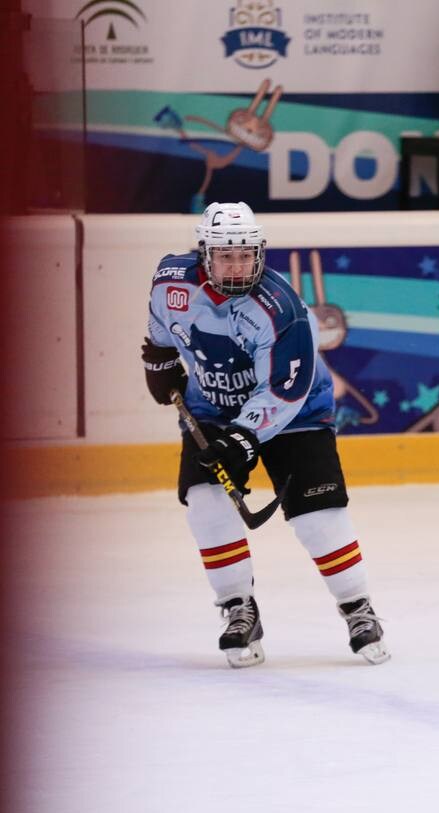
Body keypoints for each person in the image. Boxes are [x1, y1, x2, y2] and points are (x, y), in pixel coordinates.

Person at [141, 202, 389, 668]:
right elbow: (161, 324)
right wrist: (159, 359)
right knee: (205, 500)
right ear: (205, 255)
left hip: (295, 412)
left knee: (318, 515)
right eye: (225, 257)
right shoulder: (171, 280)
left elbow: (284, 389)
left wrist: (243, 438)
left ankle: (358, 607)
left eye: (245, 256)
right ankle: (238, 609)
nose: (237, 267)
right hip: (210, 407)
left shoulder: (283, 309)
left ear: (259, 254)